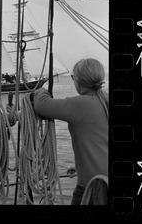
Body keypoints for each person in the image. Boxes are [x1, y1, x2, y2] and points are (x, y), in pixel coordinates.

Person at [33, 58, 108, 205]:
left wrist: (41, 89)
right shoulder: (105, 100)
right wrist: (81, 166)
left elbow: (42, 105)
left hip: (92, 188)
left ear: (79, 80)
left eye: (73, 78)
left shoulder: (82, 104)